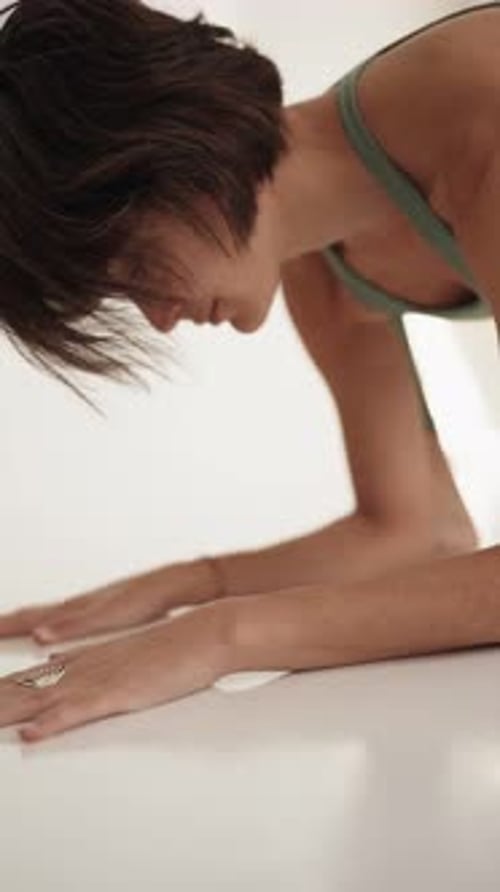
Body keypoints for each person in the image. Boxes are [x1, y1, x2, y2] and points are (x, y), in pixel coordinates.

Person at [0, 0, 499, 743]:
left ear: (179, 160)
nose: (159, 318)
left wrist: (219, 637)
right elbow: (415, 530)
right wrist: (184, 587)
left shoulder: (482, 117)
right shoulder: (322, 270)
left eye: (136, 266)